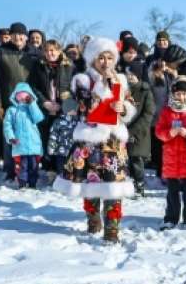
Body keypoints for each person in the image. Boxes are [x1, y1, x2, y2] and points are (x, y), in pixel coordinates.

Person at [53, 37, 136, 242]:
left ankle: (112, 230)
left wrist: (124, 108)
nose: (106, 62)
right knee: (89, 186)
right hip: (89, 142)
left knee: (113, 187)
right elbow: (86, 107)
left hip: (113, 142)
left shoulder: (121, 81)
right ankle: (93, 221)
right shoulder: (82, 80)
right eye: (101, 58)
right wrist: (102, 85)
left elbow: (130, 105)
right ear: (92, 59)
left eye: (109, 57)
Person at [0, 22, 38, 181]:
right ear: (10, 35)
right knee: (10, 137)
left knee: (29, 136)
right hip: (8, 99)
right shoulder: (0, 51)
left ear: (26, 36)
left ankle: (30, 170)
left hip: (30, 102)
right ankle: (10, 170)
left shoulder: (34, 53)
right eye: (15, 34)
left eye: (21, 34)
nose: (18, 37)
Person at [155, 76, 186, 229]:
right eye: (178, 94)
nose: (181, 97)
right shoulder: (167, 111)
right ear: (173, 94)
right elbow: (158, 131)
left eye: (184, 93)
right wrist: (170, 133)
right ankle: (171, 218)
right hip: (171, 158)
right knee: (172, 192)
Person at [29, 39, 73, 172]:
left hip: (64, 109)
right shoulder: (39, 66)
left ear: (59, 51)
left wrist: (64, 104)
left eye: (53, 50)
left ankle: (63, 170)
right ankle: (49, 170)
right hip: (45, 109)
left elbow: (74, 87)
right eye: (47, 50)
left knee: (62, 141)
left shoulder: (69, 66)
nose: (50, 53)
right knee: (47, 140)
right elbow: (34, 87)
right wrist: (44, 102)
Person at [123, 54, 156, 196]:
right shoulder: (123, 91)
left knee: (137, 160)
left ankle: (139, 185)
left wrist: (133, 131)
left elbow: (148, 114)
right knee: (125, 160)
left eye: (132, 75)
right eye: (128, 74)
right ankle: (127, 184)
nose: (130, 77)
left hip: (139, 133)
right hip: (123, 130)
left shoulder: (145, 91)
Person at [2, 82, 44, 189]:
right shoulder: (12, 110)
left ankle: (33, 184)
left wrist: (32, 104)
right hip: (20, 144)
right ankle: (22, 183)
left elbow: (39, 118)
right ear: (15, 97)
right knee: (22, 166)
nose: (22, 99)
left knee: (34, 165)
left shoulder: (32, 108)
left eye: (25, 96)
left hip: (34, 143)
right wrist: (10, 137)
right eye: (19, 96)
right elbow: (7, 125)